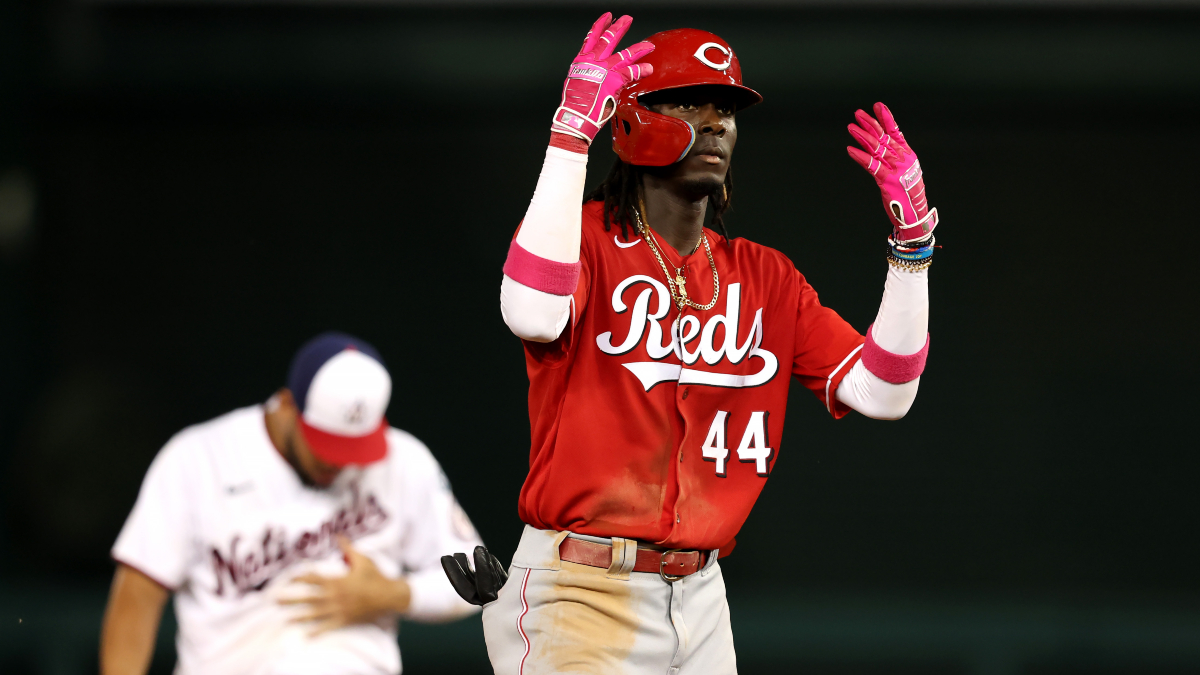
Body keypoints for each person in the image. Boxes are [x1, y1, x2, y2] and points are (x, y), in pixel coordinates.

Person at [443, 12, 939, 675]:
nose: (714, 123)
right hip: (580, 590)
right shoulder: (583, 240)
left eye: (725, 109)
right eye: (686, 103)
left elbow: (885, 392)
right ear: (627, 120)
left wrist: (912, 251)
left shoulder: (766, 277)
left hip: (702, 599)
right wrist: (569, 137)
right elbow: (531, 311)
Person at [101, 332, 483, 675]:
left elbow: (481, 581)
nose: (339, 461)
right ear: (286, 405)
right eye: (326, 445)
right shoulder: (199, 458)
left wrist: (394, 593)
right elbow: (139, 591)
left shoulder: (404, 461)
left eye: (353, 447)